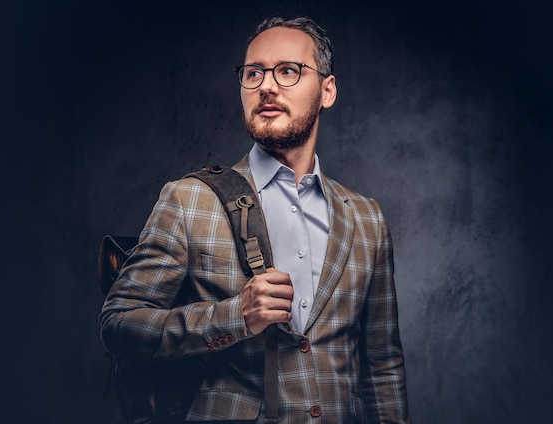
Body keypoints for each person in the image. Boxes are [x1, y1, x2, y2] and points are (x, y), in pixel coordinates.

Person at [100, 16, 410, 423]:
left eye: (288, 71)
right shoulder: (191, 200)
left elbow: (383, 366)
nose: (266, 86)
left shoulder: (367, 219)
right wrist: (235, 316)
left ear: (327, 90)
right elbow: (119, 324)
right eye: (253, 73)